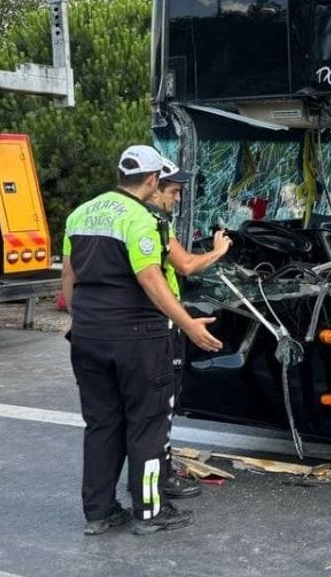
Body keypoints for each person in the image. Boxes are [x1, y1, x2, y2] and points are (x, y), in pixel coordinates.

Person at [61, 145, 223, 536]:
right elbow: (151, 278)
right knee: (147, 424)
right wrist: (188, 325)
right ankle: (149, 512)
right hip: (137, 338)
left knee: (101, 424)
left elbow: (68, 278)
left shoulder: (81, 213)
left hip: (87, 335)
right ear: (152, 180)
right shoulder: (142, 218)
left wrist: (81, 320)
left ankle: (98, 513)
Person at [148, 157, 231, 499]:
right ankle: (160, 479)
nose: (178, 199)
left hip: (127, 327)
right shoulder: (151, 222)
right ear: (154, 187)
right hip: (159, 325)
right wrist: (218, 251)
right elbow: (184, 265)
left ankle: (148, 473)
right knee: (160, 408)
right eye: (174, 191)